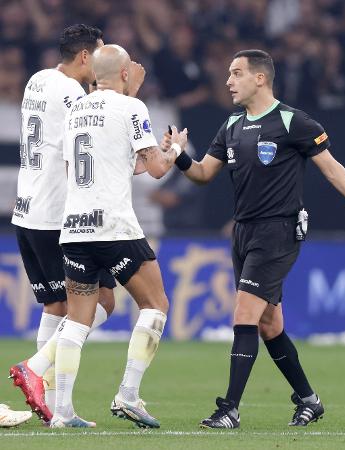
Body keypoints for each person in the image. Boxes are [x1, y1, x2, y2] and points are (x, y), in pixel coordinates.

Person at [164, 49, 345, 429]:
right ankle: (308, 399)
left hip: (278, 231)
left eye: (236, 74)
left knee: (244, 315)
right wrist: (179, 155)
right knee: (269, 325)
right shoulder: (232, 124)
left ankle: (229, 409)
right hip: (244, 231)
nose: (228, 81)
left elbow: (332, 169)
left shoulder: (292, 121)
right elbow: (203, 174)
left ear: (260, 78)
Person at [50, 44, 185, 428]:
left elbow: (80, 168)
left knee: (77, 322)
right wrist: (174, 148)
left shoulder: (75, 110)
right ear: (126, 74)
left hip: (74, 227)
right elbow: (158, 170)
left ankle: (62, 413)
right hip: (114, 226)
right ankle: (127, 395)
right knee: (155, 304)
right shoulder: (132, 108)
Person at [9, 24, 120, 424]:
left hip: (26, 209)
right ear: (86, 56)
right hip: (57, 216)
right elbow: (84, 149)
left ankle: (56, 410)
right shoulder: (73, 93)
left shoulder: (39, 80)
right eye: (103, 53)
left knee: (57, 307)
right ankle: (36, 369)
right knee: (101, 300)